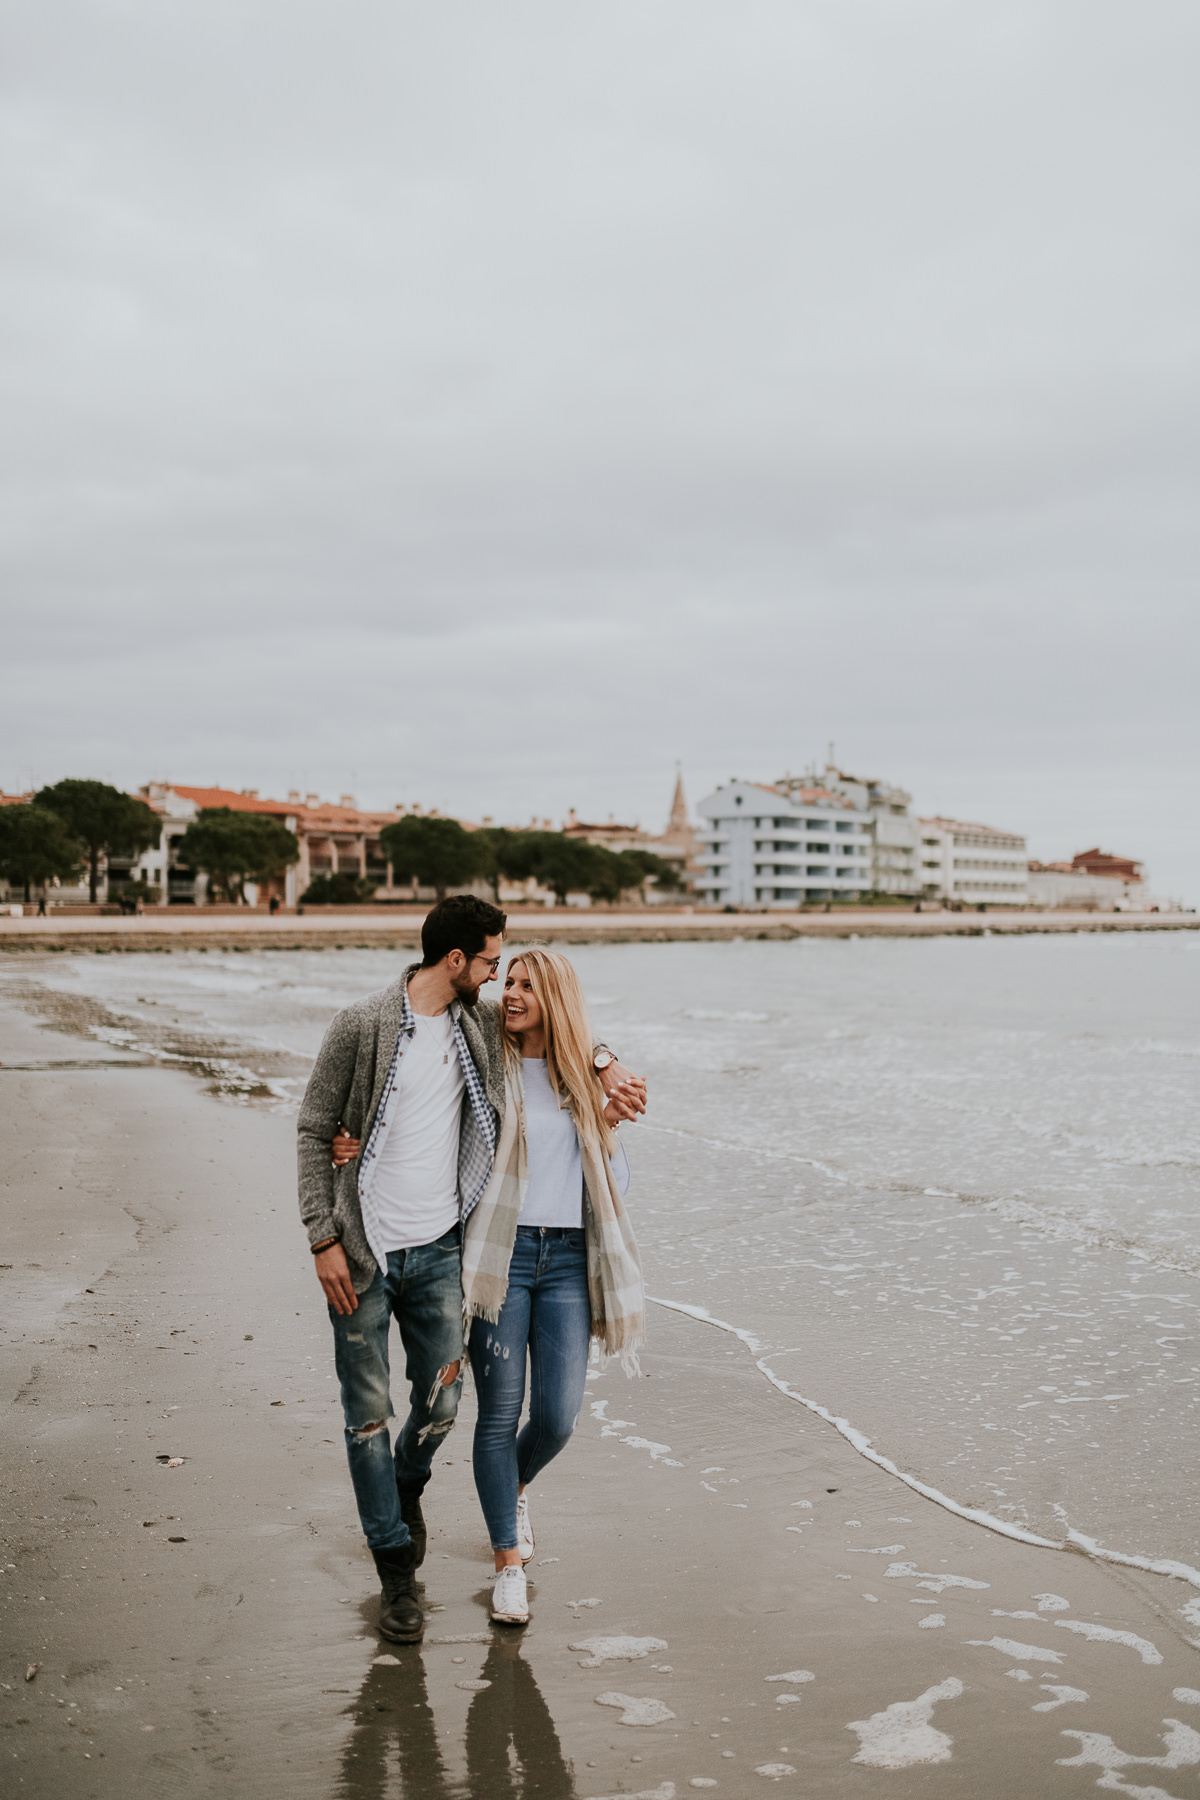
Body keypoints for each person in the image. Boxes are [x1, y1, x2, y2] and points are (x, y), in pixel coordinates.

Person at [298, 895, 646, 1646]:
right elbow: (322, 1123)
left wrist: (607, 1064)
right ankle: (436, 1567)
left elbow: (570, 1034)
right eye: (495, 968)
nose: (500, 984)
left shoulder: (501, 1039)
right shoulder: (410, 1030)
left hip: (495, 1257)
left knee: (485, 1411)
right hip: (423, 1253)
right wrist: (324, 1223)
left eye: (512, 977)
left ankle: (454, 1482)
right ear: (458, 961)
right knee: (401, 1415)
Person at [462, 946, 644, 1627]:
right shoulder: (490, 1062)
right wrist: (605, 1055)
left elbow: (614, 1183)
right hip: (501, 1258)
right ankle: (507, 1566)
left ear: (554, 1000)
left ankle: (512, 1487)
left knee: (558, 1418)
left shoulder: (579, 1083)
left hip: (567, 1259)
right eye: (507, 980)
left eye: (526, 986)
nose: (510, 993)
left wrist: (607, 1108)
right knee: (498, 1414)